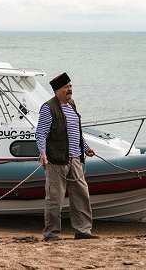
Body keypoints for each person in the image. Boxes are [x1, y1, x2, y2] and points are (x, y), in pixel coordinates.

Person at [35, 72, 99, 241]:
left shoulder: (72, 104)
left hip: (75, 159)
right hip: (56, 161)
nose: (70, 89)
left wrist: (86, 148)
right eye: (66, 87)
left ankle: (83, 231)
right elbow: (40, 133)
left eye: (70, 86)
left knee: (81, 194)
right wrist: (42, 152)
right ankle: (52, 234)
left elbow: (75, 132)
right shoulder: (48, 108)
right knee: (55, 198)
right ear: (57, 90)